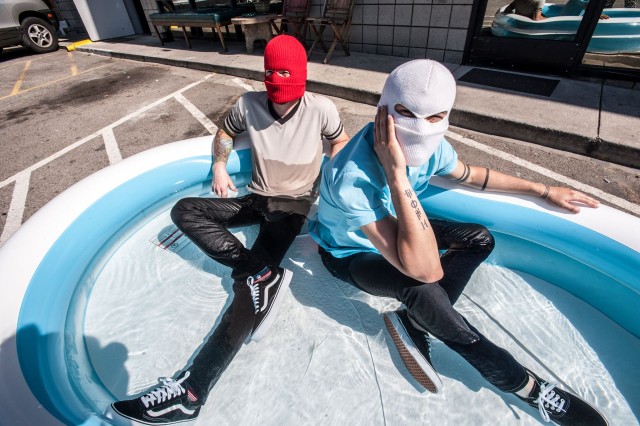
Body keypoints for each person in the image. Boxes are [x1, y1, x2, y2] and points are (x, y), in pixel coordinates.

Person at [308, 59, 608, 425]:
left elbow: (471, 175)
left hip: (396, 225)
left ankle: (416, 322)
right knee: (420, 287)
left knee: (479, 239)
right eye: (407, 114)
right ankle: (526, 386)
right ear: (383, 111)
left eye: (435, 118)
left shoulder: (432, 145)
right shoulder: (350, 175)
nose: (422, 127)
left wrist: (542, 189)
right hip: (349, 253)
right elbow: (426, 271)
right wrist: (396, 174)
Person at [107, 34, 349, 425]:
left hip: (292, 207)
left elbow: (340, 141)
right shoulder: (248, 103)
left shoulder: (322, 108)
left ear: (301, 77)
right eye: (271, 77)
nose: (278, 90)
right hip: (256, 199)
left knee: (244, 293)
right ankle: (260, 272)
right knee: (185, 210)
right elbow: (225, 132)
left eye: (285, 80)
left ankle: (192, 392)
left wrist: (333, 185)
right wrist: (219, 166)